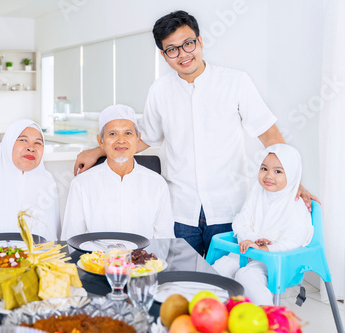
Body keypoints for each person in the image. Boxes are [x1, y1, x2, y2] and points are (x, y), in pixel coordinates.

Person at [74, 10, 318, 256]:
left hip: (228, 207)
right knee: (179, 279)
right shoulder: (160, 90)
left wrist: (293, 181)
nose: (182, 54)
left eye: (188, 44)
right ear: (164, 55)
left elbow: (269, 135)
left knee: (226, 280)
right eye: (172, 49)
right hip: (180, 209)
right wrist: (98, 150)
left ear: (200, 42)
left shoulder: (235, 82)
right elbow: (145, 138)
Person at [212, 144, 314, 305]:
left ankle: (268, 317)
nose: (269, 176)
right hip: (249, 249)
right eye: (264, 169)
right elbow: (242, 220)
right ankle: (216, 313)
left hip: (274, 259)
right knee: (222, 266)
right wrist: (252, 240)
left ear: (292, 174)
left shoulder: (296, 204)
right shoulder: (257, 193)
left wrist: (265, 249)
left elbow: (295, 240)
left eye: (278, 171)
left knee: (246, 275)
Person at [61, 105, 174, 240]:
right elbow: (71, 239)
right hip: (97, 260)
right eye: (112, 134)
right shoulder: (81, 184)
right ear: (100, 141)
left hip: (144, 259)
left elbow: (165, 240)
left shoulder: (157, 184)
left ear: (138, 138)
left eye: (128, 133)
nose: (121, 140)